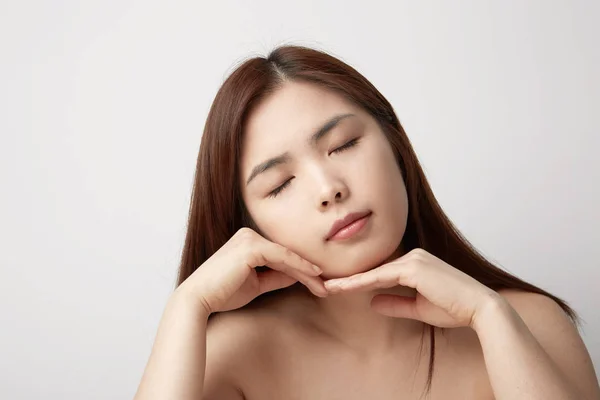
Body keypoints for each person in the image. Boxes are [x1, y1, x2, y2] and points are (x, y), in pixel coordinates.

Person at [133, 45, 600, 400]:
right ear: (248, 226)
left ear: (395, 144)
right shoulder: (229, 354)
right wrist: (187, 306)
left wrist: (490, 317)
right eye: (279, 184)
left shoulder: (528, 323)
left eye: (342, 144)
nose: (327, 188)